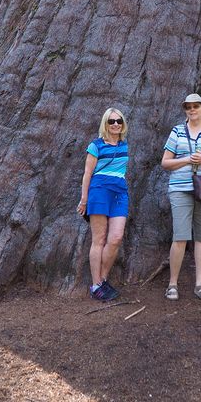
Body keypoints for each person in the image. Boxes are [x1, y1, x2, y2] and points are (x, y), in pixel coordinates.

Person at [161, 94, 201, 301]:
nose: (192, 110)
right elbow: (165, 163)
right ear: (185, 110)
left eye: (196, 106)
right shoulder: (177, 131)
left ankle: (199, 284)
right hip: (180, 188)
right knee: (180, 236)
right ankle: (172, 284)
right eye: (188, 107)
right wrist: (187, 160)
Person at [77, 108, 130, 301]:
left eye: (119, 121)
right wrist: (84, 199)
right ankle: (96, 285)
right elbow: (87, 174)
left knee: (115, 237)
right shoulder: (96, 145)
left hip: (120, 192)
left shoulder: (124, 145)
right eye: (111, 121)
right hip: (99, 190)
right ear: (105, 124)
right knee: (98, 239)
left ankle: (103, 278)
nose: (115, 124)